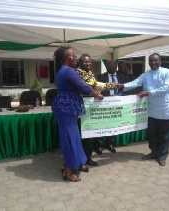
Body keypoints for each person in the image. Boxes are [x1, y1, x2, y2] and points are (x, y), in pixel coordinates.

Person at [52, 46, 104, 182]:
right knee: (69, 139)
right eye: (72, 56)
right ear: (65, 59)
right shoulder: (68, 71)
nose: (75, 58)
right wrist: (97, 94)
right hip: (65, 109)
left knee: (74, 136)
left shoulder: (64, 70)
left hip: (68, 108)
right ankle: (68, 169)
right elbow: (83, 86)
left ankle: (79, 163)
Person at [114, 53, 169, 166]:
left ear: (160, 61)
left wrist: (148, 92)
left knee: (164, 135)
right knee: (152, 134)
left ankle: (162, 156)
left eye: (155, 60)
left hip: (164, 110)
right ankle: (153, 152)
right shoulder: (146, 74)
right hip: (151, 110)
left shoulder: (167, 72)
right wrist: (122, 86)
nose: (153, 62)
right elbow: (136, 82)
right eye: (151, 61)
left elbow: (165, 88)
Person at [77, 54, 114, 166]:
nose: (88, 64)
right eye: (85, 62)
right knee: (82, 135)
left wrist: (109, 86)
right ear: (80, 63)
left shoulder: (90, 73)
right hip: (80, 107)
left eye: (89, 62)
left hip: (90, 108)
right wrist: (103, 90)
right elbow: (89, 85)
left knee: (89, 134)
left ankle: (87, 157)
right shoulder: (78, 73)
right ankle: (81, 159)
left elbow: (96, 85)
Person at [97, 60, 127, 153]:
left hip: (117, 105)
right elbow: (98, 89)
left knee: (113, 124)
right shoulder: (101, 77)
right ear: (106, 67)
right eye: (109, 65)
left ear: (116, 67)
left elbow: (125, 88)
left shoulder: (122, 77)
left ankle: (110, 144)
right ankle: (99, 145)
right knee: (102, 125)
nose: (111, 67)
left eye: (113, 65)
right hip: (104, 105)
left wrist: (119, 96)